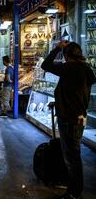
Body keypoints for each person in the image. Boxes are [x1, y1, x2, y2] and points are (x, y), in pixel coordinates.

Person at [41, 41, 96, 199]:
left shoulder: (69, 68)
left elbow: (46, 64)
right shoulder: (86, 69)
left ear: (67, 55)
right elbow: (76, 92)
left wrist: (57, 48)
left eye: (64, 54)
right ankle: (74, 188)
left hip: (69, 118)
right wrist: (58, 102)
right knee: (74, 154)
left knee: (71, 157)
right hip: (79, 116)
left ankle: (74, 193)